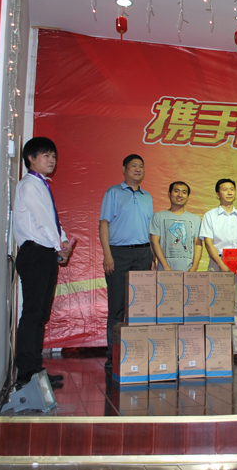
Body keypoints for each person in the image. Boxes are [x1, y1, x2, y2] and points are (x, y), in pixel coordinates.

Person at [13, 137, 73, 388]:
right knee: (33, 313)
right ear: (31, 158)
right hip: (35, 253)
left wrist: (64, 241)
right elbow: (43, 220)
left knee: (40, 314)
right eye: (46, 155)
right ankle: (26, 374)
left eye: (54, 156)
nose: (52, 160)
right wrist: (59, 245)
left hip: (45, 253)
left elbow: (52, 220)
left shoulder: (42, 185)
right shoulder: (29, 185)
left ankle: (35, 371)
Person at [99, 154, 155, 370]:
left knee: (140, 307)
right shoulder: (113, 192)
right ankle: (113, 356)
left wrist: (152, 255)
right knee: (117, 307)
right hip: (118, 254)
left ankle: (137, 353)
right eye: (133, 166)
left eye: (141, 166)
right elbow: (104, 224)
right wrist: (108, 255)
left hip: (143, 254)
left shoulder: (147, 196)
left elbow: (150, 229)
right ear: (124, 169)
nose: (138, 169)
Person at [200, 178, 237, 362]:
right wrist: (220, 263)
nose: (229, 192)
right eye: (225, 189)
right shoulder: (210, 216)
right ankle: (217, 350)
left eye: (232, 189)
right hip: (218, 264)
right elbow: (208, 242)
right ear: (218, 194)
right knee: (216, 307)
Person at [149, 181, 202, 272]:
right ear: (169, 194)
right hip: (165, 270)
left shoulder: (195, 219)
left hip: (188, 271)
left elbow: (198, 244)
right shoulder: (159, 216)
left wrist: (194, 267)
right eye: (176, 191)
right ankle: (178, 237)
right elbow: (154, 242)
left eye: (184, 192)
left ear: (188, 197)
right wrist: (165, 267)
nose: (180, 195)